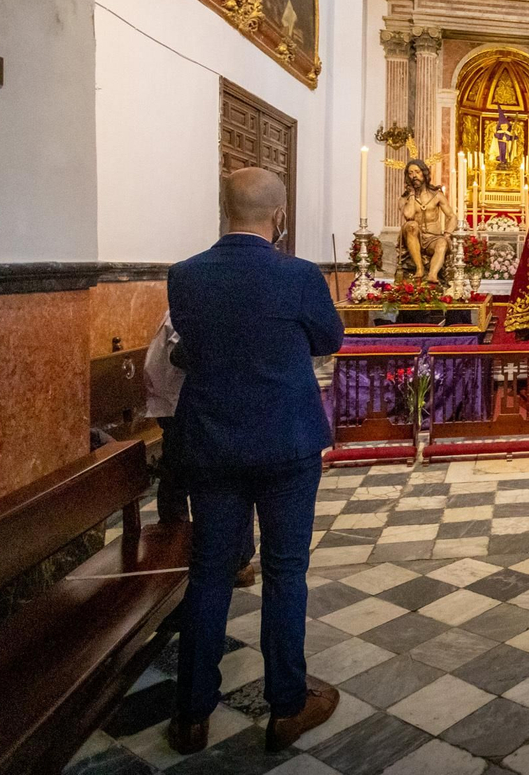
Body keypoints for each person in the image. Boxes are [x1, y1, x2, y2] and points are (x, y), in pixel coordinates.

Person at [166, 168, 346, 755]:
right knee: (285, 572)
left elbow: (190, 349)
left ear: (224, 211)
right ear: (280, 215)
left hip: (213, 443)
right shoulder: (298, 276)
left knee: (209, 573)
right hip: (287, 443)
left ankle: (191, 716)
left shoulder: (185, 277)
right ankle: (287, 708)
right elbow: (330, 340)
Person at [143, 310, 256, 588]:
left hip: (189, 404)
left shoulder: (198, 301)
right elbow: (181, 356)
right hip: (185, 406)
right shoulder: (192, 310)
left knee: (191, 481)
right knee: (187, 482)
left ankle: (225, 558)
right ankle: (180, 555)